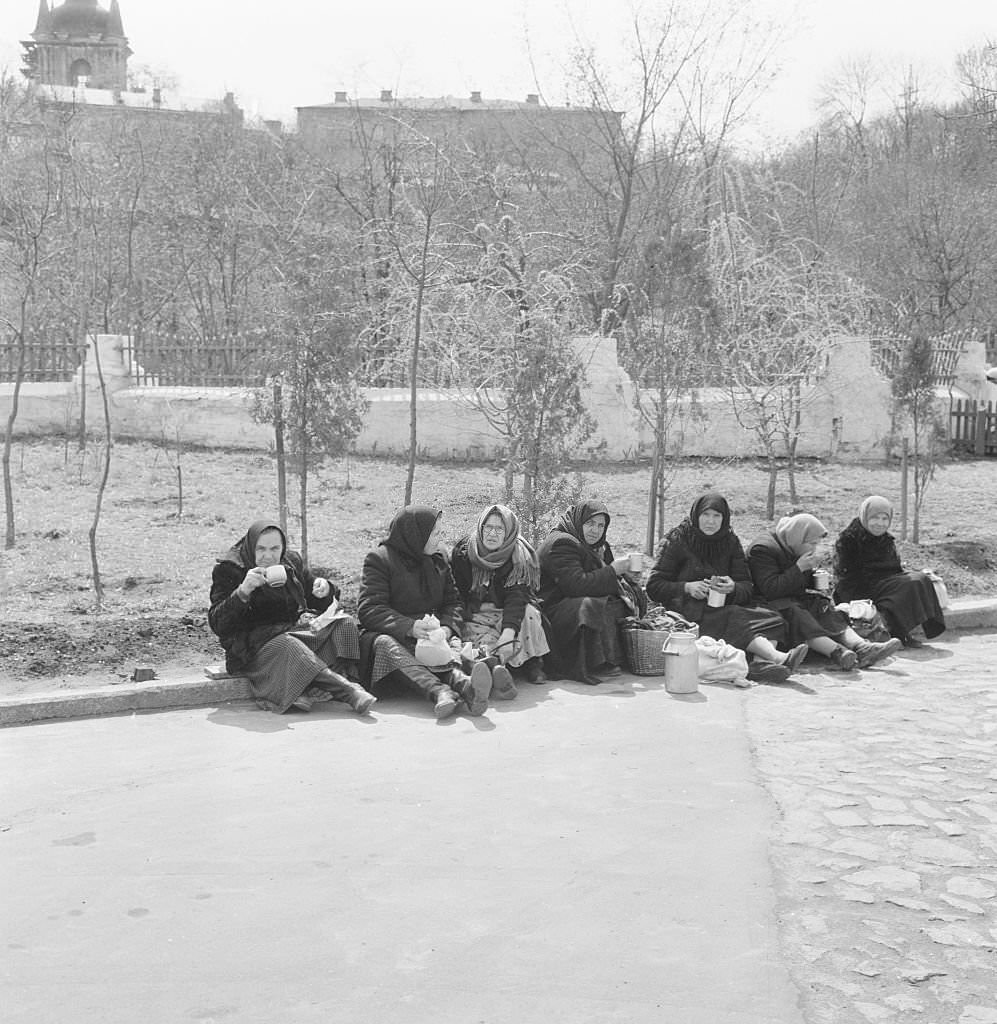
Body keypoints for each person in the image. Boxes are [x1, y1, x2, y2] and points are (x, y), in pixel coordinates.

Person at [209, 519, 376, 715]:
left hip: (290, 635)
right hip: (251, 650)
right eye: (261, 549)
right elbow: (217, 623)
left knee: (344, 624)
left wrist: (325, 589)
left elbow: (314, 595)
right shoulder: (230, 570)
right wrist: (242, 592)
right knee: (289, 645)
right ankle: (347, 691)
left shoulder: (290, 562)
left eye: (274, 549)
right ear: (250, 546)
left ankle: (324, 682)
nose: (268, 556)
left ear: (282, 548)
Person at [646, 493, 809, 683]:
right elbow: (654, 586)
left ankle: (760, 664)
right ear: (696, 515)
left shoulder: (729, 542)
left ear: (724, 518)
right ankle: (778, 658)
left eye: (717, 516)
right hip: (686, 613)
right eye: (705, 515)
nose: (710, 522)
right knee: (735, 617)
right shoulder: (679, 540)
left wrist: (733, 587)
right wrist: (687, 587)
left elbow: (747, 586)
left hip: (721, 606)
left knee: (772, 617)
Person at [357, 505, 491, 720]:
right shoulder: (380, 559)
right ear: (415, 535)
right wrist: (410, 628)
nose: (440, 538)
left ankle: (465, 686)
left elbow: (453, 601)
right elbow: (370, 608)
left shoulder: (438, 558)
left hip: (432, 633)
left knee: (448, 644)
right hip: (396, 635)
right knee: (384, 643)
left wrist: (446, 628)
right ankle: (441, 691)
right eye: (435, 533)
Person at [747, 513, 902, 670]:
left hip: (790, 597)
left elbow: (798, 584)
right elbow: (770, 588)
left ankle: (861, 646)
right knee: (796, 611)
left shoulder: (793, 545)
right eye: (811, 544)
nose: (814, 548)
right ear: (798, 538)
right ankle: (837, 652)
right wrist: (799, 568)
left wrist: (815, 578)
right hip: (765, 603)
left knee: (822, 605)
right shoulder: (763, 549)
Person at [538, 501, 646, 685]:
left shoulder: (599, 547)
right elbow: (575, 585)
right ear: (578, 521)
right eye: (590, 523)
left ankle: (616, 657)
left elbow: (606, 580)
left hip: (573, 601)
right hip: (553, 610)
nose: (595, 530)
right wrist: (612, 571)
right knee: (592, 604)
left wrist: (626, 577)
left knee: (622, 600)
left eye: (600, 525)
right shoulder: (561, 543)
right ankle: (597, 662)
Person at [450, 504, 551, 697]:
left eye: (499, 529)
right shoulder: (464, 552)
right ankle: (494, 670)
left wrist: (508, 632)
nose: (492, 534)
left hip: (509, 611)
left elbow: (517, 598)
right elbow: (457, 594)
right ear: (480, 528)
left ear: (509, 533)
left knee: (529, 615)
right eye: (488, 527)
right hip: (477, 611)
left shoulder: (519, 557)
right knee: (475, 641)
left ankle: (529, 663)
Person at [833, 495, 946, 647]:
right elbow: (845, 578)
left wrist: (900, 580)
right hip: (857, 591)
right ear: (865, 516)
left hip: (884, 584)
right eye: (875, 518)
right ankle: (897, 634)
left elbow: (894, 569)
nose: (880, 523)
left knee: (920, 580)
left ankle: (903, 633)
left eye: (884, 519)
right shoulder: (848, 539)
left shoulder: (885, 540)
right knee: (903, 589)